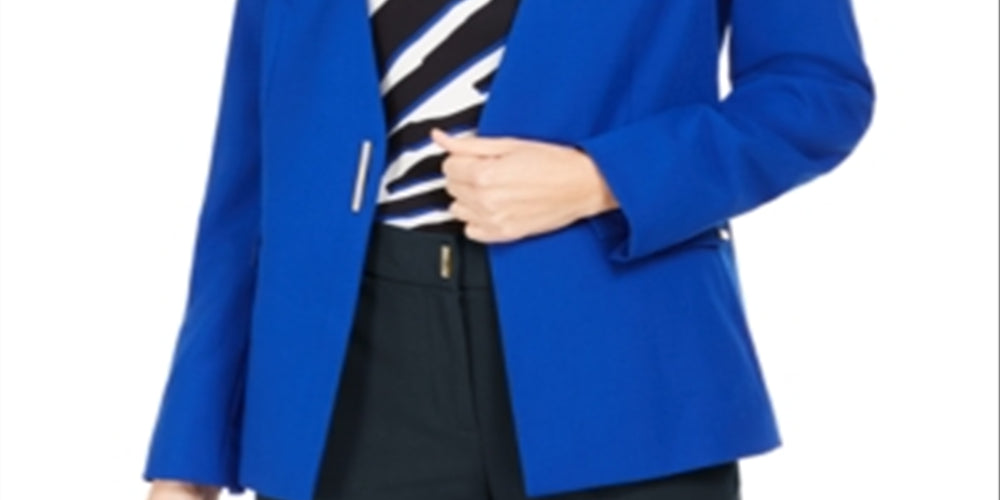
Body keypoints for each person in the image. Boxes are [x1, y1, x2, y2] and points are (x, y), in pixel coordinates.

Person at [142, 0, 875, 499]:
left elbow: (816, 89)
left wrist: (604, 178)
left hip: (622, 367)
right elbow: (250, 176)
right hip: (339, 385)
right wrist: (191, 445)